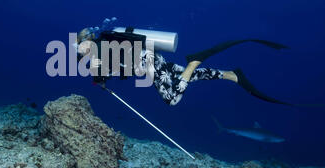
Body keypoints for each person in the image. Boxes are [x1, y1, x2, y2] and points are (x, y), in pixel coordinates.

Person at [76, 26, 291, 106]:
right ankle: (231, 75)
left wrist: (99, 82)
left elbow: (100, 73)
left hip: (146, 61)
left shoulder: (97, 49)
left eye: (80, 48)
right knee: (181, 77)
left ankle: (193, 62)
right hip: (152, 55)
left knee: (172, 99)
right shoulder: (105, 40)